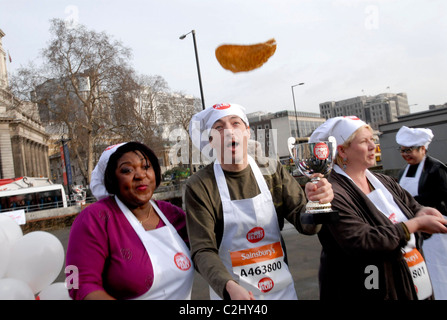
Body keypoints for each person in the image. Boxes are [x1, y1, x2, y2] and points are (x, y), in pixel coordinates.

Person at [185, 103, 333, 300]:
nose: (229, 131)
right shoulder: (200, 186)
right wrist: (228, 287)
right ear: (211, 141)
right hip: (233, 295)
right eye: (219, 128)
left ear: (247, 132)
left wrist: (316, 204)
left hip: (282, 292)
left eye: (235, 123)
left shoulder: (271, 170)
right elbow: (202, 249)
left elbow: (304, 223)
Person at [309, 116, 447, 300]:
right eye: (364, 141)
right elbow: (363, 241)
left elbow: (412, 207)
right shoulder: (331, 193)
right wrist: (416, 224)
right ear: (342, 151)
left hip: (407, 282)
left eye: (372, 140)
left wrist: (422, 211)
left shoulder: (384, 181)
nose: (373, 146)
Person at [66, 142, 194, 300]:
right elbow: (77, 284)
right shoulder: (93, 219)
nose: (140, 175)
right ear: (112, 179)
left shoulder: (171, 214)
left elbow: (207, 251)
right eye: (127, 170)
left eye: (146, 166)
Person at [396, 126, 447, 299]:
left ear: (423, 149)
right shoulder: (403, 171)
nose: (405, 154)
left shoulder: (436, 169)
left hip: (438, 232)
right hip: (416, 230)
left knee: (441, 268)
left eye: (409, 150)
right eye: (402, 150)